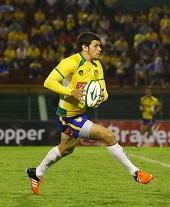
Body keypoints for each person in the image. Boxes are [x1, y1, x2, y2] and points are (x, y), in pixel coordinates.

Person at [26, 32, 153, 195]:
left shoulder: (97, 66)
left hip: (80, 114)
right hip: (67, 116)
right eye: (96, 45)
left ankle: (36, 173)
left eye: (100, 45)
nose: (100, 49)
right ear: (85, 47)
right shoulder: (71, 62)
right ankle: (136, 173)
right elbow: (48, 82)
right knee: (107, 135)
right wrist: (71, 92)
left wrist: (101, 98)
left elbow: (104, 92)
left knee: (65, 149)